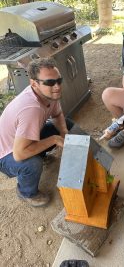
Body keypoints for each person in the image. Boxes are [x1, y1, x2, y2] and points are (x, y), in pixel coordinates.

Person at [0, 58, 73, 207]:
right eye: (50, 82)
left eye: (59, 80)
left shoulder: (49, 94)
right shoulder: (31, 109)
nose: (57, 86)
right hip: (6, 154)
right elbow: (19, 154)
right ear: (34, 83)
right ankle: (26, 192)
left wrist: (64, 133)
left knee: (67, 125)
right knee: (32, 164)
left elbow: (57, 115)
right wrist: (54, 139)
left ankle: (39, 153)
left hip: (21, 141)